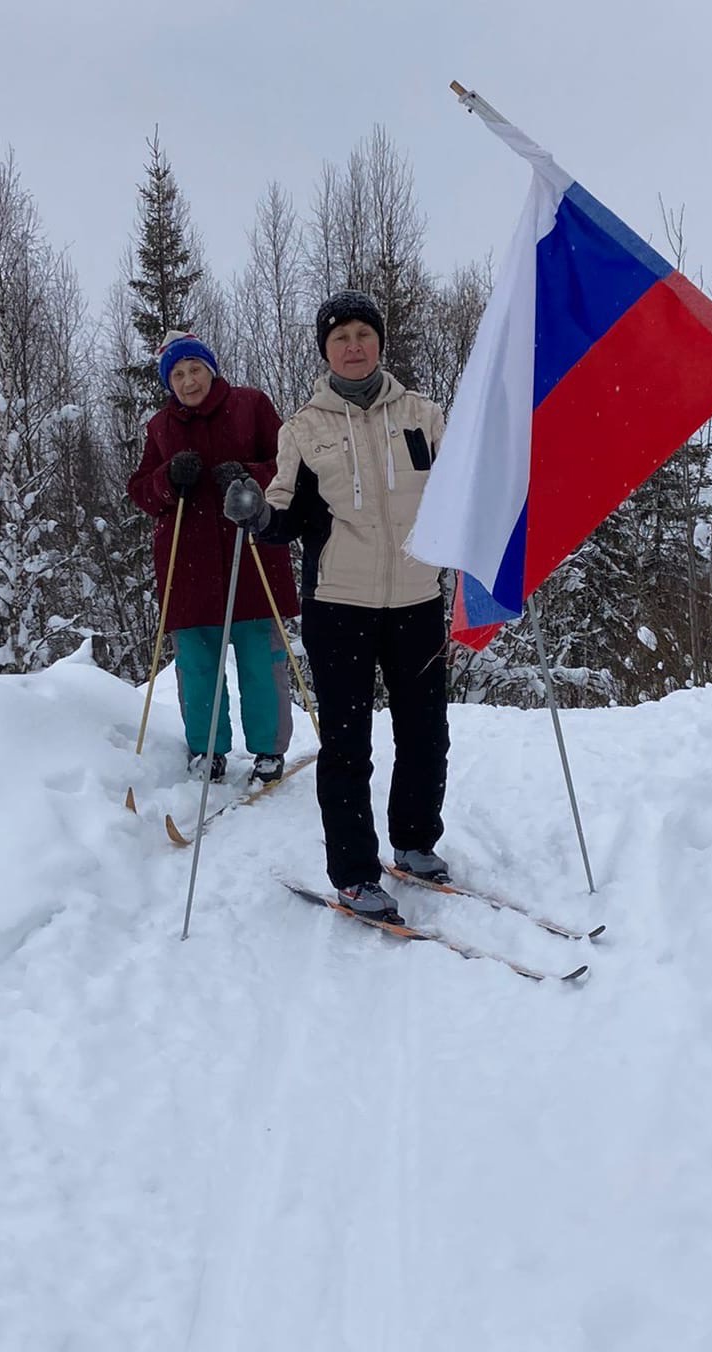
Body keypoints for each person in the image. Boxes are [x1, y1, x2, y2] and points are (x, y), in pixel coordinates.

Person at [223, 291, 450, 918]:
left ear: (380, 342)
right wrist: (256, 513)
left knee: (426, 733)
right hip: (339, 605)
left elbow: (457, 495)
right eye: (340, 337)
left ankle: (414, 843)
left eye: (362, 334)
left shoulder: (424, 417)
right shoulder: (303, 428)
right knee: (348, 743)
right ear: (325, 351)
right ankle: (353, 871)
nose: (353, 345)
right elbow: (285, 516)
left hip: (418, 599)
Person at [127, 330, 298, 785]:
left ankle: (268, 749)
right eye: (178, 374)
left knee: (262, 662)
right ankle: (207, 750)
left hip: (252, 555)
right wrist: (168, 478)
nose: (188, 381)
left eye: (195, 369)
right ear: (169, 382)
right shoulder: (160, 427)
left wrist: (249, 475)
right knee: (198, 669)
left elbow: (288, 464)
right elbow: (141, 492)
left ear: (211, 369)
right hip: (188, 566)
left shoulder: (250, 405)